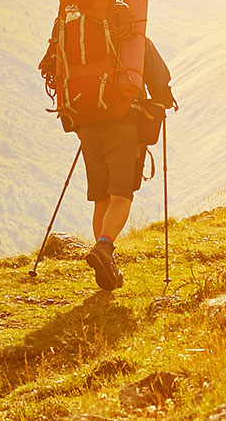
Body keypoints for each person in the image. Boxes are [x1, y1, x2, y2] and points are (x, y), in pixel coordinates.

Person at [78, 35, 174, 291]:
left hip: (85, 120)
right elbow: (159, 78)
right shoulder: (134, 35)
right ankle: (104, 246)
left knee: (101, 197)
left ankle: (106, 262)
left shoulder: (79, 31)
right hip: (123, 122)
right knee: (121, 194)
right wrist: (165, 101)